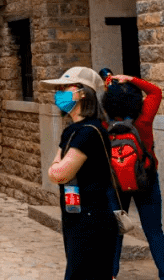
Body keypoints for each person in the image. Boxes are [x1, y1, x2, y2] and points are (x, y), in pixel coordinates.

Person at [42, 66, 117, 280]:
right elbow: (57, 169)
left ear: (83, 93)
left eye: (66, 87)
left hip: (91, 219)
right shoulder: (72, 130)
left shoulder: (88, 133)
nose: (60, 93)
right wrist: (55, 168)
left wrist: (55, 168)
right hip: (75, 214)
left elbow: (60, 173)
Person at [102, 73, 164, 280]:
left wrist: (109, 86)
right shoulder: (144, 118)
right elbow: (155, 91)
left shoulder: (105, 121)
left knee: (115, 229)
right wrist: (130, 79)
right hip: (146, 179)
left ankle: (111, 274)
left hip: (115, 181)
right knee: (154, 232)